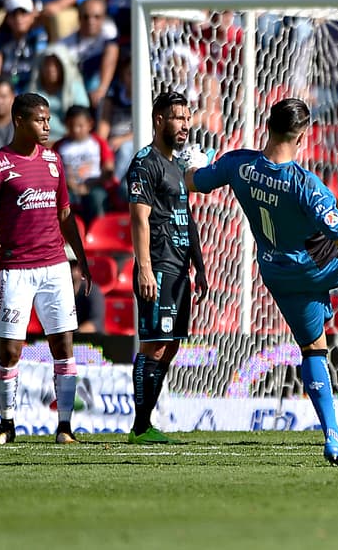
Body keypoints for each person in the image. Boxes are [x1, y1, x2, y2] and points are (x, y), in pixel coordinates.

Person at [188, 98, 338, 467]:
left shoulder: (237, 164)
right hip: (319, 265)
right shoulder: (306, 185)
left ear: (268, 126)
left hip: (277, 272)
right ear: (303, 135)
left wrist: (195, 163)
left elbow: (195, 181)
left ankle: (334, 439)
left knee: (313, 348)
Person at [0, 92, 92, 445]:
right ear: (19, 121)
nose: (46, 126)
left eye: (47, 120)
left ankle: (65, 427)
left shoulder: (54, 161)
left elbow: (65, 214)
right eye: (39, 120)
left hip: (55, 267)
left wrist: (82, 259)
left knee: (63, 346)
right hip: (15, 269)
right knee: (10, 351)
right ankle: (6, 425)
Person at [125, 91, 208, 444]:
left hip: (179, 268)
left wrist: (199, 265)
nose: (185, 125)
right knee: (154, 346)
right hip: (158, 265)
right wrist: (144, 268)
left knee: (170, 346)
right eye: (178, 118)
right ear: (159, 120)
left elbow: (186, 217)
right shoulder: (145, 163)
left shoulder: (175, 166)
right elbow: (139, 218)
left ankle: (146, 424)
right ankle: (140, 426)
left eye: (188, 118)